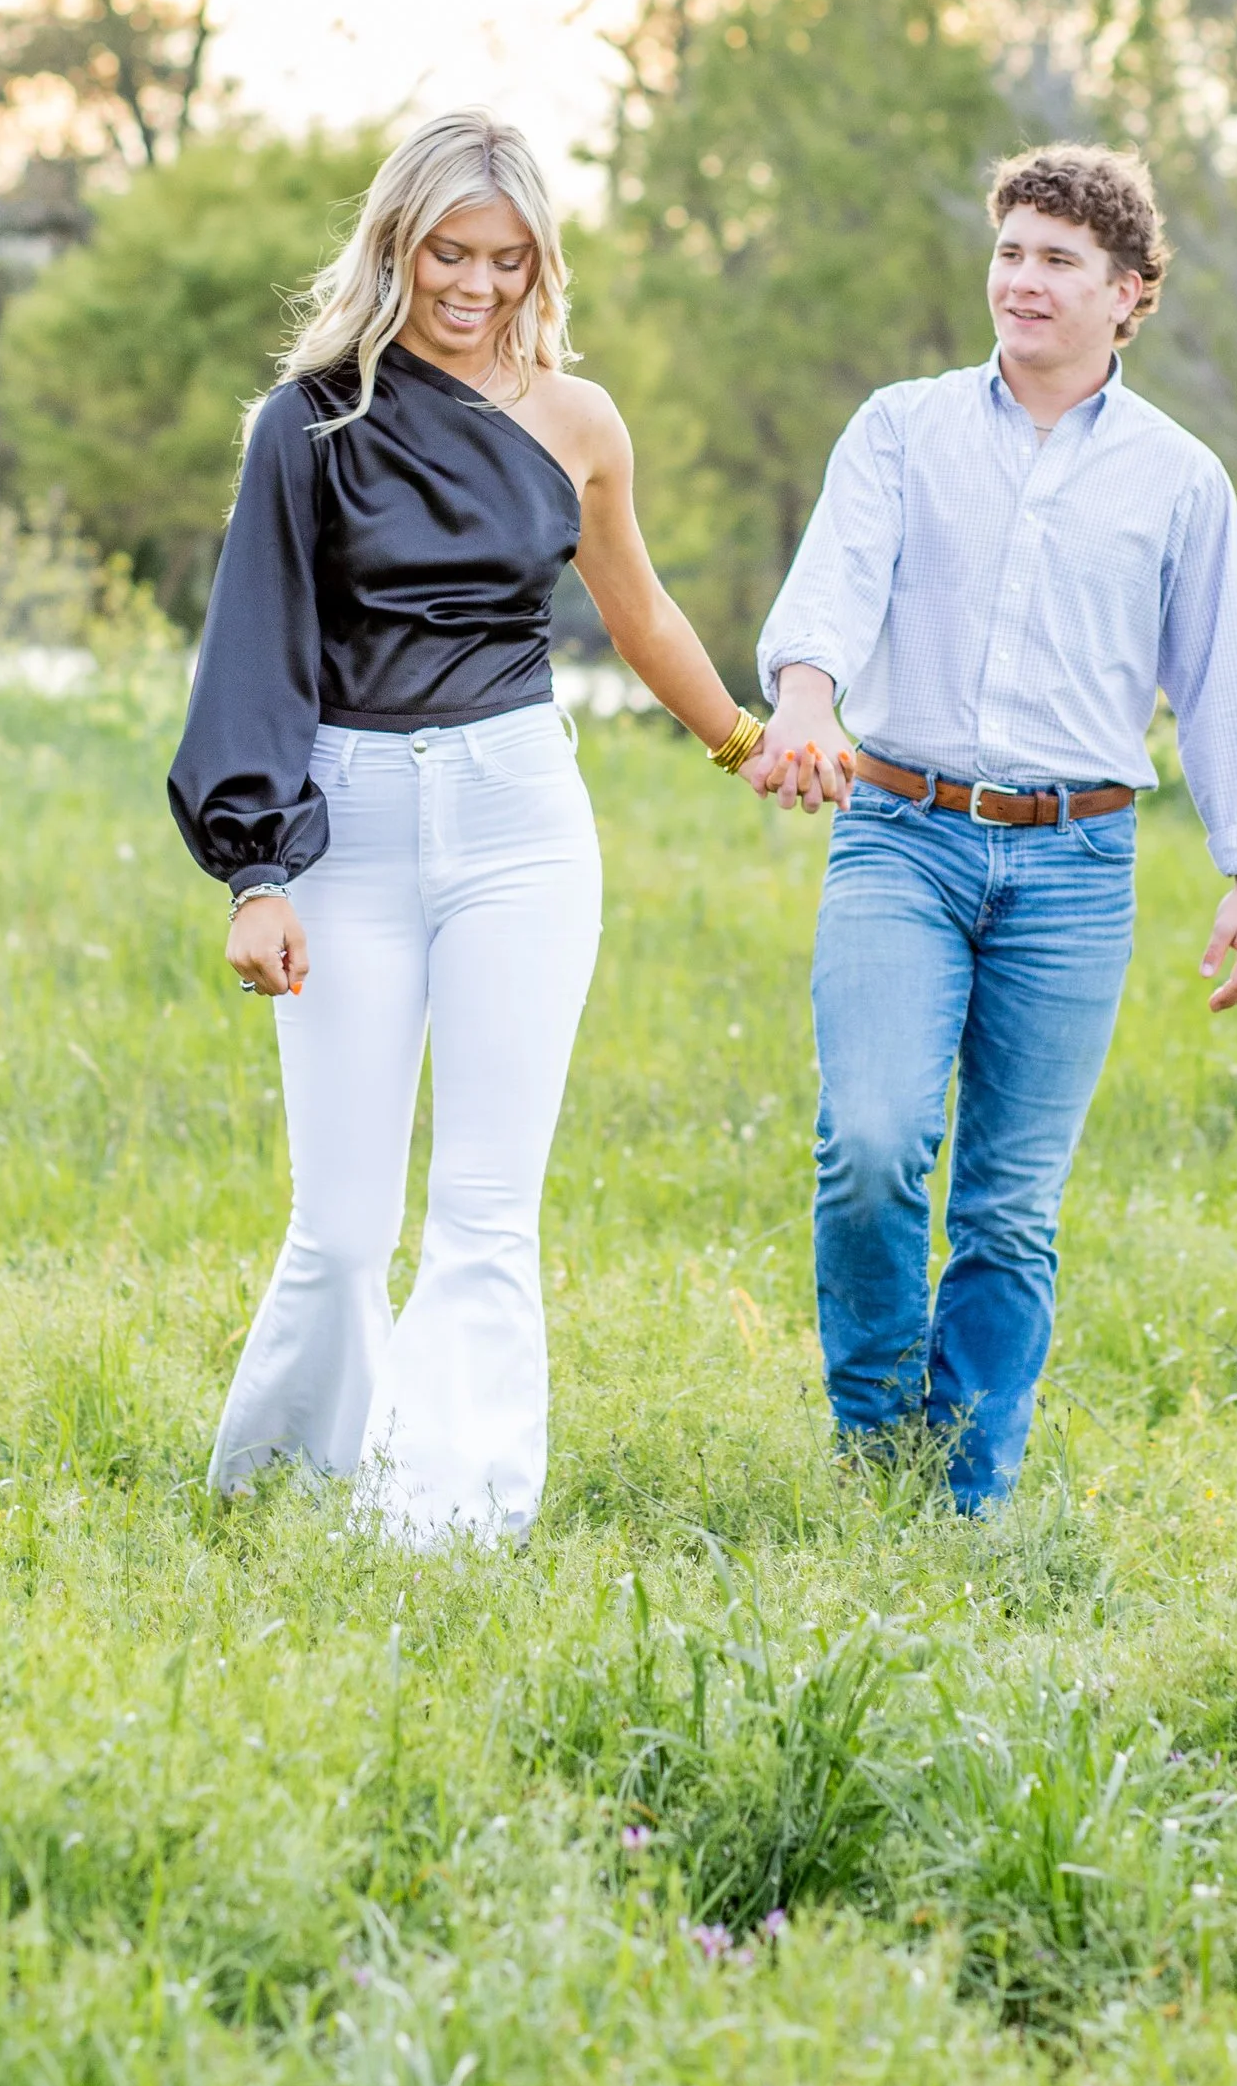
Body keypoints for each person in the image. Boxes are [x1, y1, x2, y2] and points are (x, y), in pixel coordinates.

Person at [169, 111, 812, 1545]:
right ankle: (281, 1496)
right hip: (351, 823)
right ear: (395, 244)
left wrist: (745, 741)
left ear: (541, 262)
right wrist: (253, 871)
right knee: (340, 1225)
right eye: (448, 252)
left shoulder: (580, 421)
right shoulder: (310, 420)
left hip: (522, 815)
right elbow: (254, 648)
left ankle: (448, 1525)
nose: (475, 284)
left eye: (507, 259)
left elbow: (637, 608)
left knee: (484, 1211)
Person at [749, 142, 1237, 1512]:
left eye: (1059, 260)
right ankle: (877, 1448)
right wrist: (806, 702)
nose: (1024, 281)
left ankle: (970, 1487)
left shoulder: (1181, 481)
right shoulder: (902, 426)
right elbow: (832, 589)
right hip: (902, 831)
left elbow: (1221, 683)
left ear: (1131, 292)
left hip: (1075, 863)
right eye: (1010, 252)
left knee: (1006, 1206)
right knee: (870, 1143)